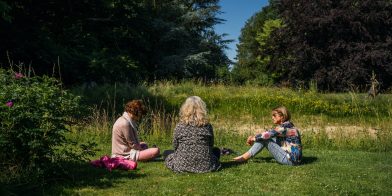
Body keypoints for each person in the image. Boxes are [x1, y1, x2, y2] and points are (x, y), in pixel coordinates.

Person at [164, 96, 221, 173]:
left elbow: (175, 146)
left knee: (166, 152)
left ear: (185, 109)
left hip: (182, 165)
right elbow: (210, 144)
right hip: (206, 166)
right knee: (216, 150)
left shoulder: (180, 126)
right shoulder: (207, 126)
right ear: (202, 109)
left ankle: (185, 163)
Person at [233, 106, 302, 165]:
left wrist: (253, 138)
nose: (272, 117)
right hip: (295, 160)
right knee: (265, 138)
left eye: (274, 115)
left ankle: (244, 158)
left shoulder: (284, 127)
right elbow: (269, 133)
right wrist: (256, 137)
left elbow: (268, 135)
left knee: (265, 139)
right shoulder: (288, 125)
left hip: (290, 160)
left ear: (282, 116)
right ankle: (245, 156)